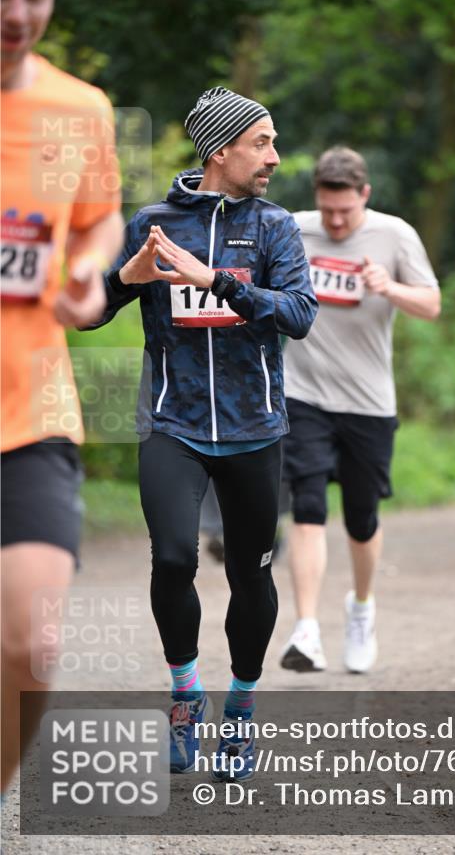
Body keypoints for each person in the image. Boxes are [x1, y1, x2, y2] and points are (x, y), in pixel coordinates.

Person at [84, 86, 317, 778]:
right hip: (171, 425)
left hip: (254, 429)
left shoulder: (275, 227)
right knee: (174, 560)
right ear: (221, 150)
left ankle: (240, 714)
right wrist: (123, 279)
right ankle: (186, 700)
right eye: (261, 142)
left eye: (273, 142)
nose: (273, 156)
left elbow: (299, 314)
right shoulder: (153, 221)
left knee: (250, 574)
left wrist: (217, 280)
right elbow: (85, 312)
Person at [0, 0, 124, 794]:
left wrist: (89, 268)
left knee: (34, 646)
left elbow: (101, 218)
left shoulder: (80, 110)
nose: (15, 12)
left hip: (30, 403)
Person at [280, 146, 440, 674]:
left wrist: (388, 287)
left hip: (368, 402)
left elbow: (432, 305)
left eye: (346, 210)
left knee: (361, 518)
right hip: (303, 394)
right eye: (328, 210)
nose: (336, 221)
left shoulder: (395, 235)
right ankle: (306, 630)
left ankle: (362, 609)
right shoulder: (294, 229)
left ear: (365, 195)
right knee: (306, 505)